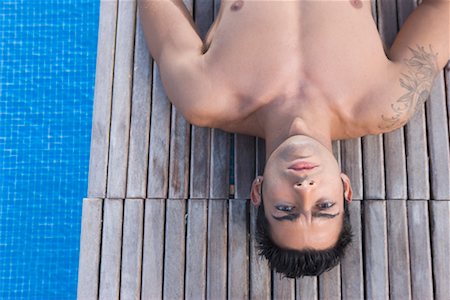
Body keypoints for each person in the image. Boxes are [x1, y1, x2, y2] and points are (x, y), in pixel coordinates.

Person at [138, 0, 449, 277]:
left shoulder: (204, 95)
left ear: (258, 190)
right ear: (345, 188)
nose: (304, 189)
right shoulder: (387, 101)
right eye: (324, 205)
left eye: (286, 209)